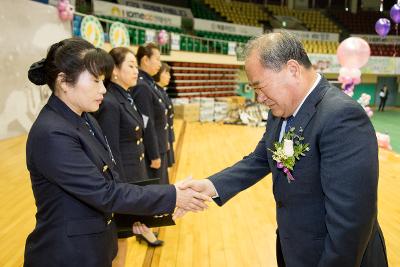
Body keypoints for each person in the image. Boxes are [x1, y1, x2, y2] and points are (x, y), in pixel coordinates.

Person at [177, 31, 388, 267]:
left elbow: (351, 224)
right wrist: (211, 186)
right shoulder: (281, 109)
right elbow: (260, 159)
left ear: (293, 69)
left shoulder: (341, 117)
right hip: (295, 249)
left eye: (260, 87)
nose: (258, 98)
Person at [24, 37, 211, 267]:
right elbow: (104, 193)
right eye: (95, 81)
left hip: (95, 248)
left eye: (103, 81)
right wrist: (173, 195)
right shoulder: (52, 133)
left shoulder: (85, 118)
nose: (103, 89)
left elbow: (107, 179)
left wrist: (130, 218)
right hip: (68, 256)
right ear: (63, 81)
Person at [93, 47, 162, 267]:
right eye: (130, 66)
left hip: (134, 174)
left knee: (125, 237)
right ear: (114, 70)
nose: (136, 71)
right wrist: (121, 188)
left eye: (135, 65)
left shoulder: (125, 96)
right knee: (120, 239)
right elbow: (112, 151)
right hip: (124, 179)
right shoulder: (111, 102)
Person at [130, 43, 170, 184]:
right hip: (153, 150)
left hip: (159, 144)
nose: (160, 64)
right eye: (157, 59)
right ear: (145, 60)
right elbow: (147, 122)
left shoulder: (149, 83)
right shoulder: (142, 86)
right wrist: (154, 154)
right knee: (158, 193)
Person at [153, 62, 175, 168]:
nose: (169, 76)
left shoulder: (162, 91)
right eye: (166, 73)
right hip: (161, 139)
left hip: (166, 136)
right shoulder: (156, 91)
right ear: (158, 74)